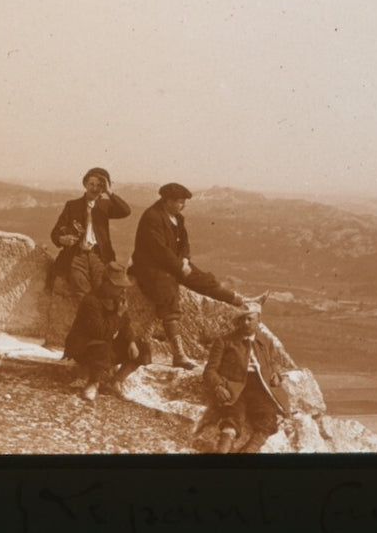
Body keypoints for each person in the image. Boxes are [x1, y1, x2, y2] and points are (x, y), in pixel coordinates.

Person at [130, 182, 257, 369]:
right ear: (167, 201)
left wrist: (185, 261)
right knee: (168, 294)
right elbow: (159, 251)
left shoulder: (177, 218)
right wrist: (179, 267)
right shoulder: (152, 217)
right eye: (180, 202)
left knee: (202, 278)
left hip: (175, 264)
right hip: (151, 267)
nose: (183, 205)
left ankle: (238, 300)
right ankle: (178, 354)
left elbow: (184, 244)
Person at [200, 302, 291, 453]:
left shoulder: (266, 341)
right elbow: (209, 371)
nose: (245, 323)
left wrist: (276, 374)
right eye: (242, 320)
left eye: (250, 319)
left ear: (259, 320)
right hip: (234, 387)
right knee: (232, 418)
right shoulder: (224, 341)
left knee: (268, 418)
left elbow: (272, 362)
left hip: (260, 386)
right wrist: (218, 386)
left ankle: (249, 452)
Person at [62, 263, 149, 402]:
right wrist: (118, 315)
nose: (123, 291)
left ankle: (116, 381)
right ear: (107, 284)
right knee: (102, 347)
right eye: (119, 287)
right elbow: (100, 332)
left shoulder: (117, 300)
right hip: (85, 348)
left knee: (143, 348)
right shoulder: (91, 301)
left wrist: (132, 341)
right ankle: (93, 383)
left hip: (104, 346)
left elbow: (126, 323)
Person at [48, 167, 131, 295]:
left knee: (102, 288)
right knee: (81, 289)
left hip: (99, 256)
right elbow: (55, 233)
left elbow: (126, 211)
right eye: (91, 184)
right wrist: (61, 239)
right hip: (76, 256)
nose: (94, 188)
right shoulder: (72, 206)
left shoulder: (105, 205)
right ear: (85, 184)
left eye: (99, 185)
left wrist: (109, 192)